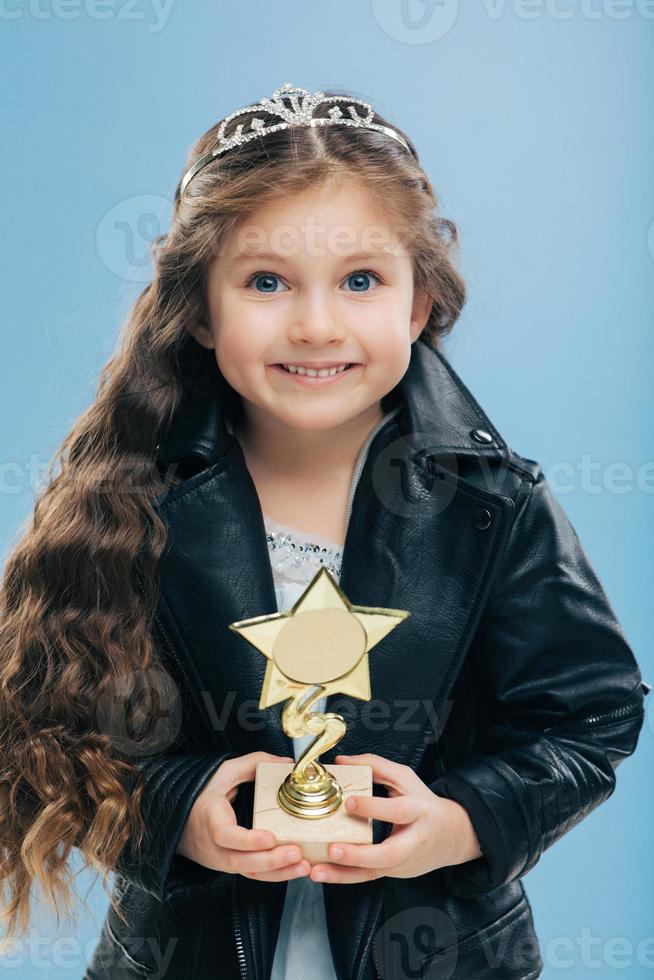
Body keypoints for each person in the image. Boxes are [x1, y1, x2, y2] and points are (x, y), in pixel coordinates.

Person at [0, 82, 648, 980]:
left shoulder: (495, 506)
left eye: (360, 280)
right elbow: (56, 724)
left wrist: (460, 824)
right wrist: (180, 808)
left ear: (417, 305)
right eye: (266, 281)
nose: (315, 323)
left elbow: (590, 713)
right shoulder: (127, 499)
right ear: (199, 308)